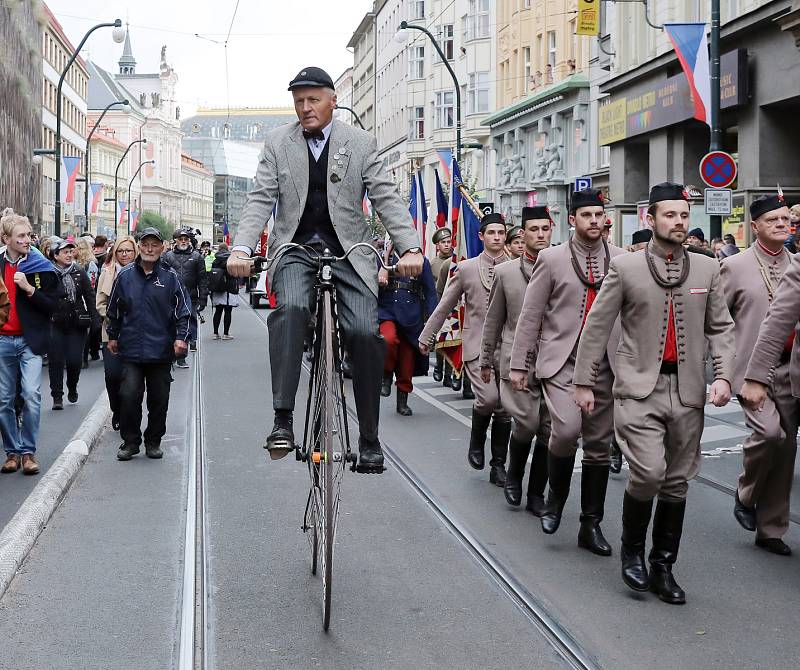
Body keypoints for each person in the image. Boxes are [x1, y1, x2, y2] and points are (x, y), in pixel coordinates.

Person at [226, 66, 423, 471]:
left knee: (367, 334)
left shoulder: (361, 143)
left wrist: (411, 248)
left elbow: (386, 198)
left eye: (313, 99)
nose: (305, 107)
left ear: (333, 100)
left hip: (349, 252)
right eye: (298, 101)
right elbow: (260, 200)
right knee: (291, 311)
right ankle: (283, 420)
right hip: (296, 249)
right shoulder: (278, 143)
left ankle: (370, 438)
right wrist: (242, 248)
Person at [573, 182, 735, 604]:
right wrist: (585, 382)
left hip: (688, 392)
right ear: (651, 218)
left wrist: (723, 376)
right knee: (647, 472)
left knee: (678, 481)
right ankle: (632, 552)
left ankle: (664, 565)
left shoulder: (707, 268)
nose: (679, 222)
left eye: (684, 215)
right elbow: (597, 326)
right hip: (637, 390)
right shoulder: (624, 268)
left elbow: (720, 328)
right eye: (670, 215)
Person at [509, 189, 625, 554]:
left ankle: (590, 525)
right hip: (562, 362)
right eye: (586, 215)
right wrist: (518, 364)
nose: (594, 221)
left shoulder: (622, 260)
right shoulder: (552, 259)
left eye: (599, 215)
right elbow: (530, 315)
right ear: (572, 220)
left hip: (605, 364)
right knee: (566, 430)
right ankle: (556, 497)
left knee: (599, 446)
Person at [419, 212, 511, 486]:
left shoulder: (517, 267)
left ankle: (498, 465)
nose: (497, 238)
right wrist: (427, 336)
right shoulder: (466, 268)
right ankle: (476, 441)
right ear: (481, 236)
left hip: (507, 347)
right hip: (476, 346)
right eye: (491, 233)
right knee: (488, 399)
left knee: (505, 408)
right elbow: (445, 304)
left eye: (501, 233)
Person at [732, 194, 796, 555]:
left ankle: (771, 529)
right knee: (770, 434)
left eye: (785, 218)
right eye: (772, 219)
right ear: (754, 226)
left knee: (786, 448)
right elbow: (718, 322)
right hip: (750, 371)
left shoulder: (796, 263)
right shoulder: (736, 266)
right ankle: (745, 492)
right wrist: (724, 371)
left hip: (790, 369)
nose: (780, 224)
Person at [480, 206, 552, 515]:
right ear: (523, 233)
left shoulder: (563, 267)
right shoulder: (506, 272)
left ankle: (536, 493)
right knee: (527, 424)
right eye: (533, 230)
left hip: (555, 362)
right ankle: (513, 475)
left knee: (550, 432)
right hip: (516, 361)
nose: (540, 235)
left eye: (545, 229)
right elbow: (494, 320)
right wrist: (485, 359)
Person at [106, 227, 191, 461]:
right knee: (129, 395)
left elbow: (184, 312)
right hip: (131, 349)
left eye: (154, 245)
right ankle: (130, 442)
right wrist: (112, 335)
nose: (150, 249)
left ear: (162, 248)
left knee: (159, 399)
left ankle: (153, 441)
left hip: (161, 351)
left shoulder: (170, 277)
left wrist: (181, 338)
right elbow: (113, 309)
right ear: (139, 247)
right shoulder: (125, 276)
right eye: (145, 244)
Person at [0, 209, 62, 475]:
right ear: (6, 239)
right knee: (3, 400)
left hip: (30, 341)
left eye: (28, 235)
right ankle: (11, 452)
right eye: (21, 236)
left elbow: (53, 306)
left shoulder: (40, 265)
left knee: (31, 395)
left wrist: (28, 288)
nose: (27, 240)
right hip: (3, 340)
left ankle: (28, 452)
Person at [377, 243, 438, 416]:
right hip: (387, 312)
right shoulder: (381, 258)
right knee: (387, 340)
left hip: (411, 317)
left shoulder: (421, 261)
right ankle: (386, 374)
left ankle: (402, 401)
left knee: (406, 361)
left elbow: (430, 293)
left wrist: (432, 325)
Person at [47, 237, 99, 409]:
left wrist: (95, 320)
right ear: (55, 255)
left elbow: (89, 296)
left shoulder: (78, 271)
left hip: (76, 323)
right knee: (55, 360)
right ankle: (57, 396)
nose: (69, 255)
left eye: (71, 251)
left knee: (74, 360)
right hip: (54, 322)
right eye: (65, 252)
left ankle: (72, 386)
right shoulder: (47, 272)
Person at [96, 235, 138, 431]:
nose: (124, 254)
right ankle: (116, 410)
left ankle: (128, 416)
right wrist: (113, 318)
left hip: (136, 334)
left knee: (131, 379)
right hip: (111, 332)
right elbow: (100, 303)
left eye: (128, 250)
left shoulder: (143, 272)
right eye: (120, 251)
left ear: (135, 252)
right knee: (112, 375)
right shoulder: (107, 273)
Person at [163, 227, 208, 366]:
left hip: (190, 297)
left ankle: (182, 356)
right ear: (175, 241)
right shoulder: (167, 256)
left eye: (186, 239)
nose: (183, 241)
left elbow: (202, 279)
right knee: (169, 325)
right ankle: (170, 354)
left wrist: (203, 298)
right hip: (170, 297)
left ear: (189, 241)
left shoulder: (197, 257)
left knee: (186, 325)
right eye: (180, 239)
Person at [429, 227, 456, 389]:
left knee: (453, 341)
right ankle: (439, 366)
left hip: (454, 306)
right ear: (437, 245)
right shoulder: (433, 264)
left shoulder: (457, 260)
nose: (446, 245)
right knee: (440, 341)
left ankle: (449, 374)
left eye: (448, 241)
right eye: (443, 242)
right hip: (439, 305)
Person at [75, 236, 101, 366]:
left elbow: (92, 283)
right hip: (77, 298)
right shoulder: (73, 263)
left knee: (85, 328)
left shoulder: (90, 264)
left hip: (86, 298)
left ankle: (83, 357)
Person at [210, 243, 240, 340]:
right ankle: (226, 334)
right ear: (227, 249)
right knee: (228, 311)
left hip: (217, 289)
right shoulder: (230, 260)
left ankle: (215, 333)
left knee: (218, 311)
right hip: (229, 289)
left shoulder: (215, 260)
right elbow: (235, 274)